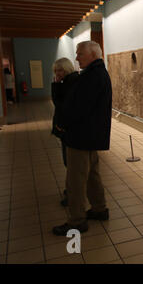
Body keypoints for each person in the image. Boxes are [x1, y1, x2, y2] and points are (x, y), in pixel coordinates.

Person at [53, 41, 112, 236]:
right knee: (92, 174)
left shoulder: (91, 77)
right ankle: (99, 208)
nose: (76, 57)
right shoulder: (96, 73)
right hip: (90, 134)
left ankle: (77, 220)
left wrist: (63, 124)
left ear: (93, 54)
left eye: (80, 54)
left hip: (81, 135)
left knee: (75, 179)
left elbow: (78, 107)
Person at [50, 58, 79, 207]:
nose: (57, 73)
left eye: (60, 70)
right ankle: (71, 190)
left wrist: (55, 86)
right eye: (55, 70)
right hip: (66, 130)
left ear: (66, 69)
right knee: (68, 163)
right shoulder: (67, 82)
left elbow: (60, 105)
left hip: (69, 130)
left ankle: (73, 194)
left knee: (71, 164)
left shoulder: (71, 83)